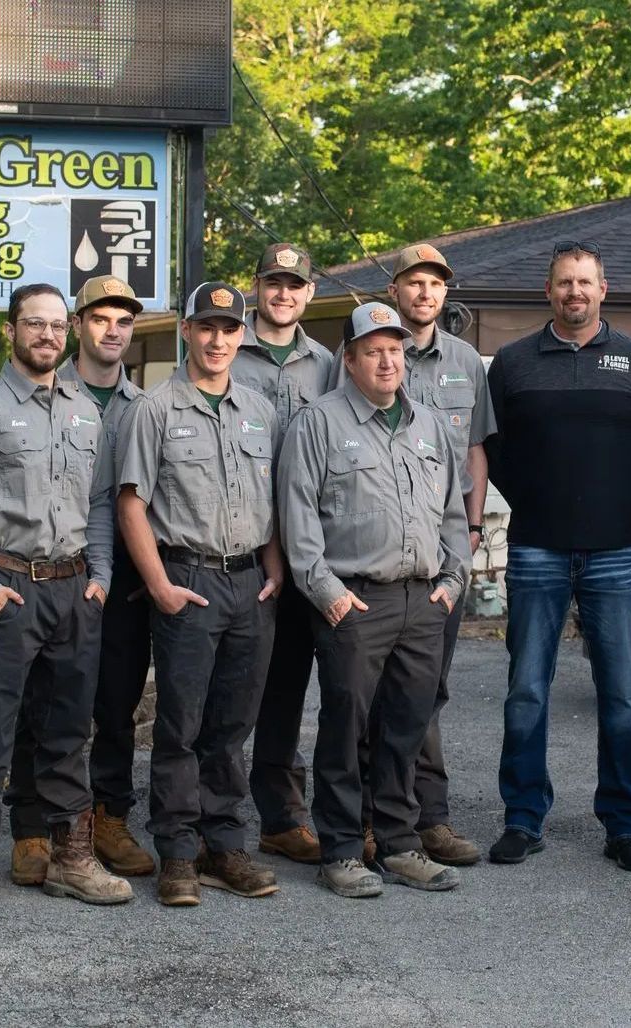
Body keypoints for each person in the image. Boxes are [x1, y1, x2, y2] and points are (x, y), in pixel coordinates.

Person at [0, 283, 128, 929]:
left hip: (74, 592)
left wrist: (99, 576)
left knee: (70, 735)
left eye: (54, 325)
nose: (45, 336)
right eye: (33, 324)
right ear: (12, 330)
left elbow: (100, 503)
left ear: (66, 329)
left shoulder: (84, 411)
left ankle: (72, 861)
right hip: (9, 588)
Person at [485, 240, 631, 871]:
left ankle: (623, 822)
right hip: (536, 546)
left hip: (615, 550)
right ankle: (523, 816)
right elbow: (496, 448)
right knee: (526, 691)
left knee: (621, 692)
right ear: (549, 291)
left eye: (585, 282)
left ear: (603, 289)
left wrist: (609, 501)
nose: (575, 292)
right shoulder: (511, 364)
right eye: (564, 282)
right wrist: (539, 501)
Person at [278, 301, 470, 898]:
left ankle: (399, 843)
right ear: (351, 360)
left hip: (422, 601)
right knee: (345, 728)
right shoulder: (318, 422)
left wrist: (453, 579)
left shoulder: (428, 424)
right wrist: (327, 594)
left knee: (407, 727)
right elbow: (297, 517)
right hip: (355, 603)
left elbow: (453, 513)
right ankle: (340, 850)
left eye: (395, 350)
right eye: (374, 351)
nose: (388, 360)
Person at [117, 282, 285, 907]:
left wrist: (274, 570)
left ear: (243, 336)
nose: (218, 340)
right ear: (187, 331)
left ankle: (224, 843)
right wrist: (159, 583)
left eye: (229, 328)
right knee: (181, 725)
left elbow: (271, 500)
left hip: (251, 585)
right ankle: (179, 853)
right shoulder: (154, 409)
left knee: (232, 725)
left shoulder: (261, 410)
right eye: (206, 327)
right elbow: (131, 502)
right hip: (187, 579)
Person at [2, 275, 155, 887]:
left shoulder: (146, 404)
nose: (112, 330)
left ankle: (106, 818)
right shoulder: (44, 389)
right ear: (78, 325)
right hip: (58, 574)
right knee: (43, 704)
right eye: (100, 319)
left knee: (116, 704)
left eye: (123, 320)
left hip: (125, 578)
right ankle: (33, 825)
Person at [348, 243, 497, 866]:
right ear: (396, 290)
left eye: (435, 283)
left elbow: (475, 454)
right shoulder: (362, 354)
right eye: (414, 282)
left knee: (426, 689)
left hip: (442, 556)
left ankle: (426, 816)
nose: (425, 293)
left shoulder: (466, 361)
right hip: (376, 558)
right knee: (366, 693)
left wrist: (468, 534)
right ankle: (364, 818)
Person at [235, 242, 338, 867]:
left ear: (308, 294)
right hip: (241, 546)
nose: (283, 294)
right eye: (274, 282)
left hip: (307, 547)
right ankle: (198, 812)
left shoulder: (327, 365)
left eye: (295, 285)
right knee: (236, 688)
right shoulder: (221, 347)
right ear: (257, 286)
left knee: (293, 687)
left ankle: (282, 815)